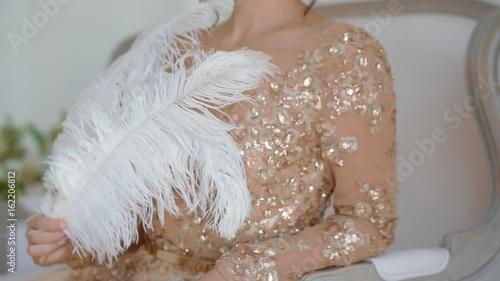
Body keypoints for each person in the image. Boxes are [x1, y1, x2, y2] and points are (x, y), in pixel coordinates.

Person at [26, 0, 398, 280]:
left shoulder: (344, 54)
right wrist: (84, 238)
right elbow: (150, 211)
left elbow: (369, 224)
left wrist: (247, 269)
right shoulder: (176, 46)